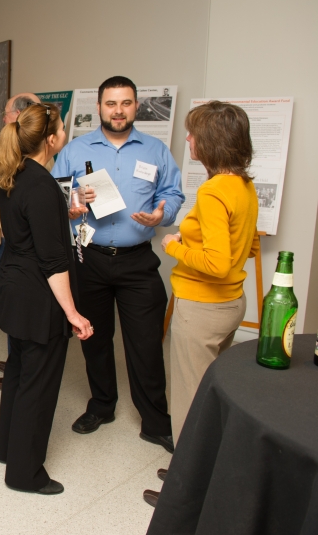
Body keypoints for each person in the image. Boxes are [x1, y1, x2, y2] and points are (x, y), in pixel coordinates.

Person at [52, 76, 184, 453]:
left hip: (137, 262)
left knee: (145, 343)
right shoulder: (76, 150)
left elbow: (172, 193)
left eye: (126, 103)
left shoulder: (155, 150)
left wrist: (162, 214)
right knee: (95, 339)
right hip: (89, 259)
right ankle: (102, 405)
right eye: (111, 103)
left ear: (136, 106)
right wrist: (72, 203)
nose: (118, 110)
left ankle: (156, 420)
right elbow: (55, 195)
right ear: (99, 107)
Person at [142, 102, 260, 508]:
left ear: (209, 142)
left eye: (192, 134)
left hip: (202, 309)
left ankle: (186, 492)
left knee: (189, 403)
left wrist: (175, 245)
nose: (187, 140)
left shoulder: (212, 191)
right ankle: (195, 470)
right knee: (210, 396)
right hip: (231, 305)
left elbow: (216, 262)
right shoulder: (243, 185)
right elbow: (246, 246)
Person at [0, 103, 93, 495]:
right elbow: (53, 262)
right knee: (38, 385)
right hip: (39, 299)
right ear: (51, 140)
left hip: (15, 291)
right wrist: (73, 313)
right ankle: (25, 474)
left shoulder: (15, 174)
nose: (65, 134)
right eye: (63, 129)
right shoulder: (42, 184)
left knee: (18, 374)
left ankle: (7, 450)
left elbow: (26, 230)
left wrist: (61, 215)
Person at [0, 93, 40, 390]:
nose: (3, 118)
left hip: (23, 246)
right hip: (10, 240)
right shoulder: (10, 152)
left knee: (20, 308)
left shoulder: (33, 163)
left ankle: (17, 368)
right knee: (13, 306)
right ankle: (14, 362)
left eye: (6, 112)